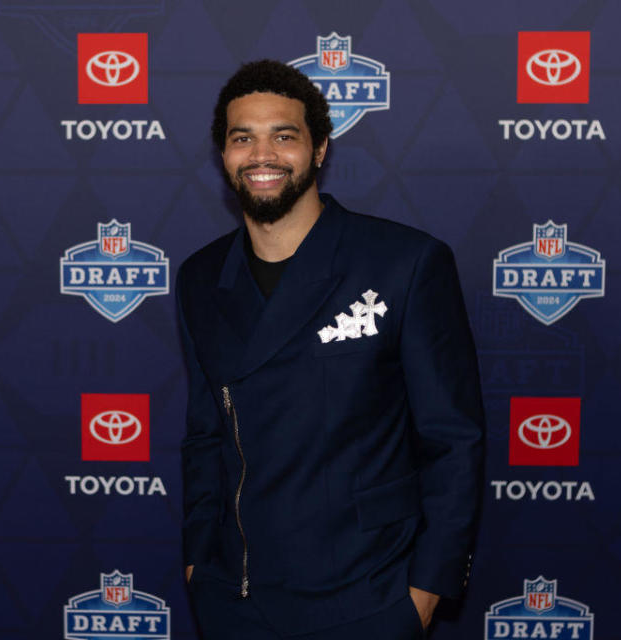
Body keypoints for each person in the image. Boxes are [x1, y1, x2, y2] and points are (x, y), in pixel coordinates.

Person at [176, 59, 484, 639]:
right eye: (243, 138)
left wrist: (423, 594)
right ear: (224, 155)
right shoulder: (200, 277)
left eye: (284, 136)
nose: (262, 154)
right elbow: (204, 435)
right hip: (235, 598)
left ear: (319, 150)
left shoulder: (404, 263)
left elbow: (453, 440)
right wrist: (198, 559)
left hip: (367, 597)